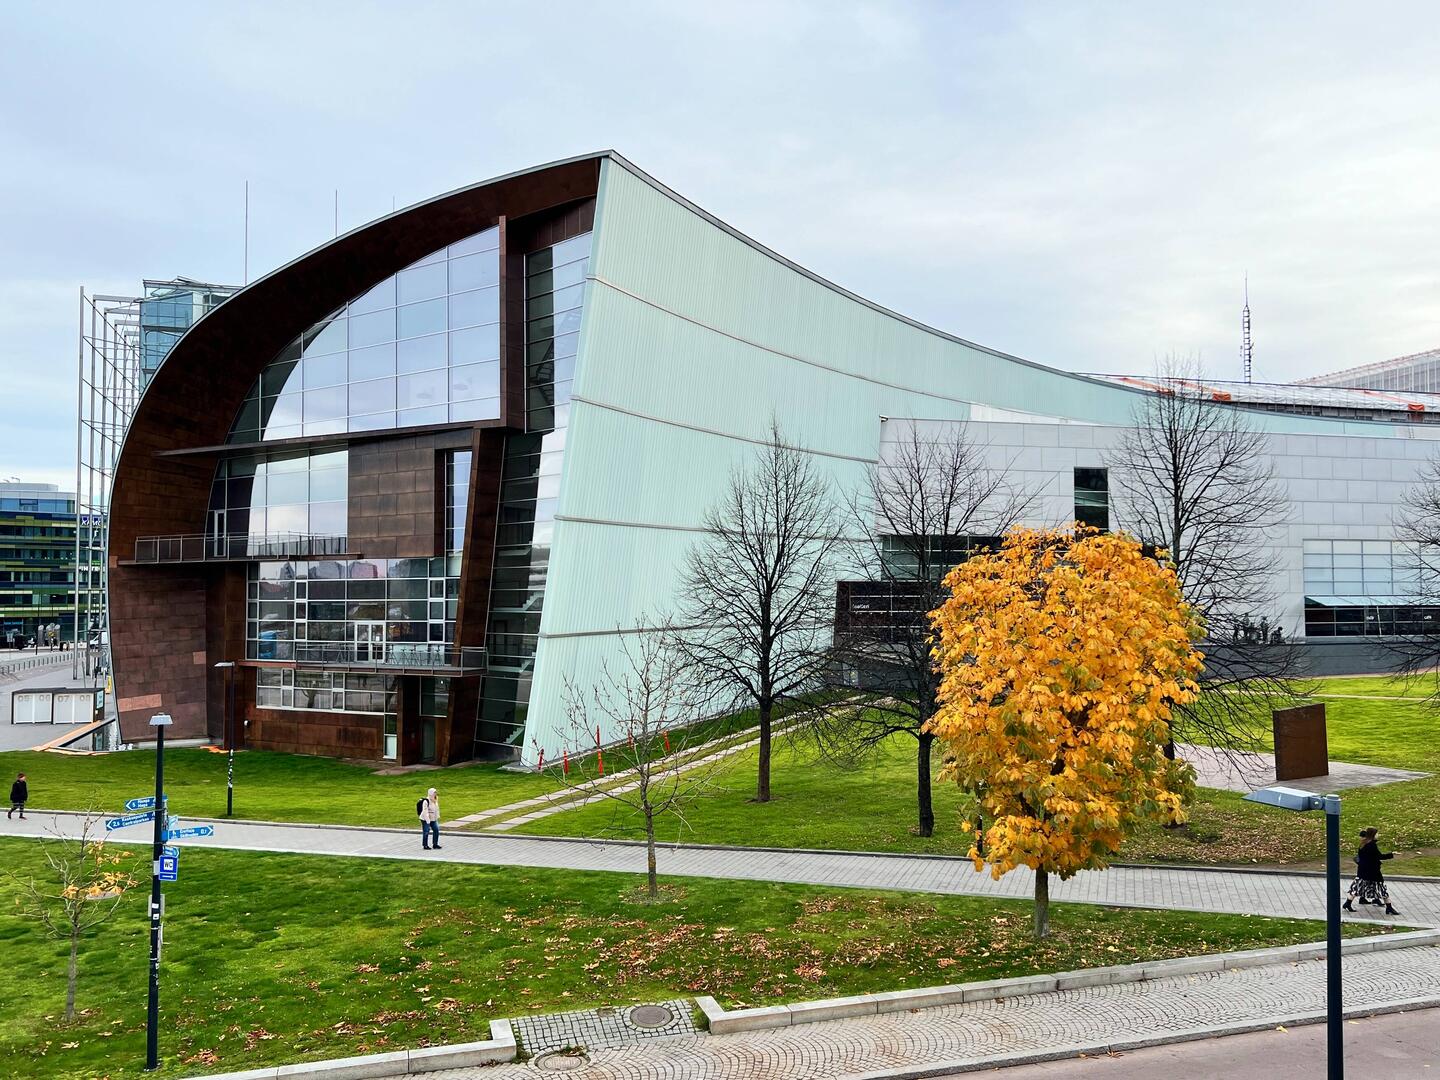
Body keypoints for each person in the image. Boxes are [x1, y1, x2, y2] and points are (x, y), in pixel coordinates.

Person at [1344, 826, 1399, 916]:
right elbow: (1379, 856)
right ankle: (1389, 907)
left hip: (1363, 870)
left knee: (1357, 887)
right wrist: (1392, 855)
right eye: (1377, 833)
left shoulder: (1363, 843)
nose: (1378, 835)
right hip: (1373, 872)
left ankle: (1348, 903)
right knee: (1381, 888)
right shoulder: (1372, 845)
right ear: (1373, 835)